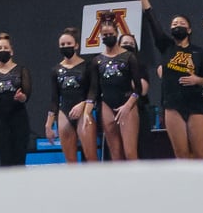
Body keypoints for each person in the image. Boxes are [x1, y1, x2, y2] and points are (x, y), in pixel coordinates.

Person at [137, 0, 203, 159]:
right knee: (181, 154)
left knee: (201, 154)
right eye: (174, 23)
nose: (177, 25)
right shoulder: (167, 47)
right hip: (172, 104)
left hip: (195, 104)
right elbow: (152, 21)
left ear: (189, 29)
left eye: (181, 23)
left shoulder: (198, 51)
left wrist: (197, 80)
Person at [92, 21, 144, 160]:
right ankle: (119, 181)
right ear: (101, 37)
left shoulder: (128, 57)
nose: (108, 37)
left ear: (116, 34)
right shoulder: (97, 60)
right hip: (107, 104)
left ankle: (135, 181)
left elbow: (138, 88)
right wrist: (87, 109)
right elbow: (94, 89)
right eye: (105, 35)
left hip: (127, 103)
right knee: (115, 154)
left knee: (130, 152)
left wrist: (128, 106)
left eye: (111, 34)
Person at [45, 30, 96, 164]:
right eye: (62, 44)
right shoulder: (56, 70)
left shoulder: (87, 66)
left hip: (84, 111)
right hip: (64, 112)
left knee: (91, 157)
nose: (65, 46)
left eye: (69, 43)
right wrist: (48, 124)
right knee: (70, 161)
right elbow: (54, 98)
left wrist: (84, 104)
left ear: (76, 45)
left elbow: (93, 91)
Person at [0, 35, 31, 167]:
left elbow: (27, 94)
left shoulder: (21, 70)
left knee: (19, 160)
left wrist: (22, 97)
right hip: (1, 121)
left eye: (5, 47)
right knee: (5, 161)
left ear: (11, 51)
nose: (2, 50)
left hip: (19, 119)